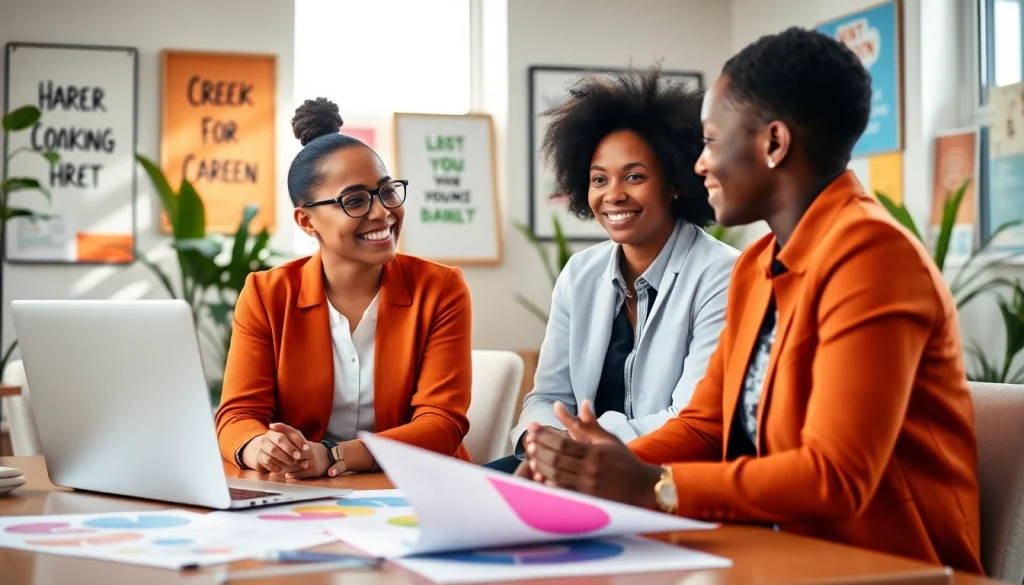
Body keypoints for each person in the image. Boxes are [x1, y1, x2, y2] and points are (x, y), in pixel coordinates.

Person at [520, 27, 985, 575]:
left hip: (886, 565)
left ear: (774, 143)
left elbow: (835, 476)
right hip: (772, 549)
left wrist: (655, 485)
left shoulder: (873, 256)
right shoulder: (761, 265)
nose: (697, 164)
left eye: (712, 141)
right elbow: (705, 425)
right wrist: (586, 466)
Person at [485, 64, 738, 473]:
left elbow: (691, 418)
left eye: (634, 177)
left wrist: (580, 451)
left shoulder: (722, 275)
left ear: (675, 182)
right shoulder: (579, 274)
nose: (613, 195)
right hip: (572, 464)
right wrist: (544, 443)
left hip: (658, 474)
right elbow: (548, 396)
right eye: (599, 180)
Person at [215, 97, 473, 479]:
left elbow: (441, 424)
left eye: (387, 191)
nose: (383, 212)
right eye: (355, 201)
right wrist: (261, 447)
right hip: (301, 493)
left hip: (415, 488)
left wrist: (333, 456)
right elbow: (237, 416)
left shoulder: (440, 289)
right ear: (306, 221)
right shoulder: (267, 295)